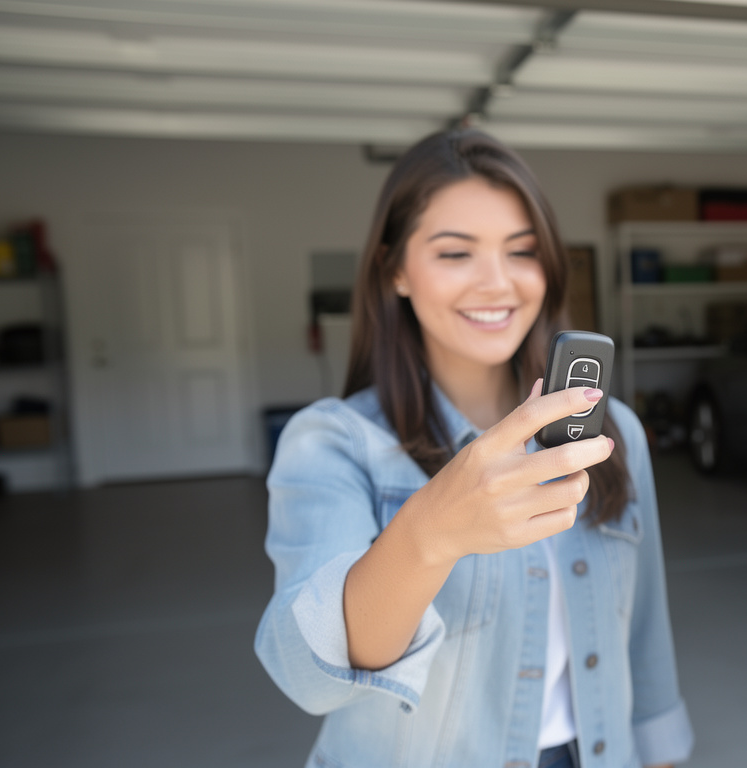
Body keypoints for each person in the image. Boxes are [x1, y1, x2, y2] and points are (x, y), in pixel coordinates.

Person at [255, 129, 692, 768]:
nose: (497, 283)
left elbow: (646, 636)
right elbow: (312, 677)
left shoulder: (613, 430)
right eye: (456, 253)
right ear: (395, 269)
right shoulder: (332, 444)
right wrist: (431, 530)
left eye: (522, 252)